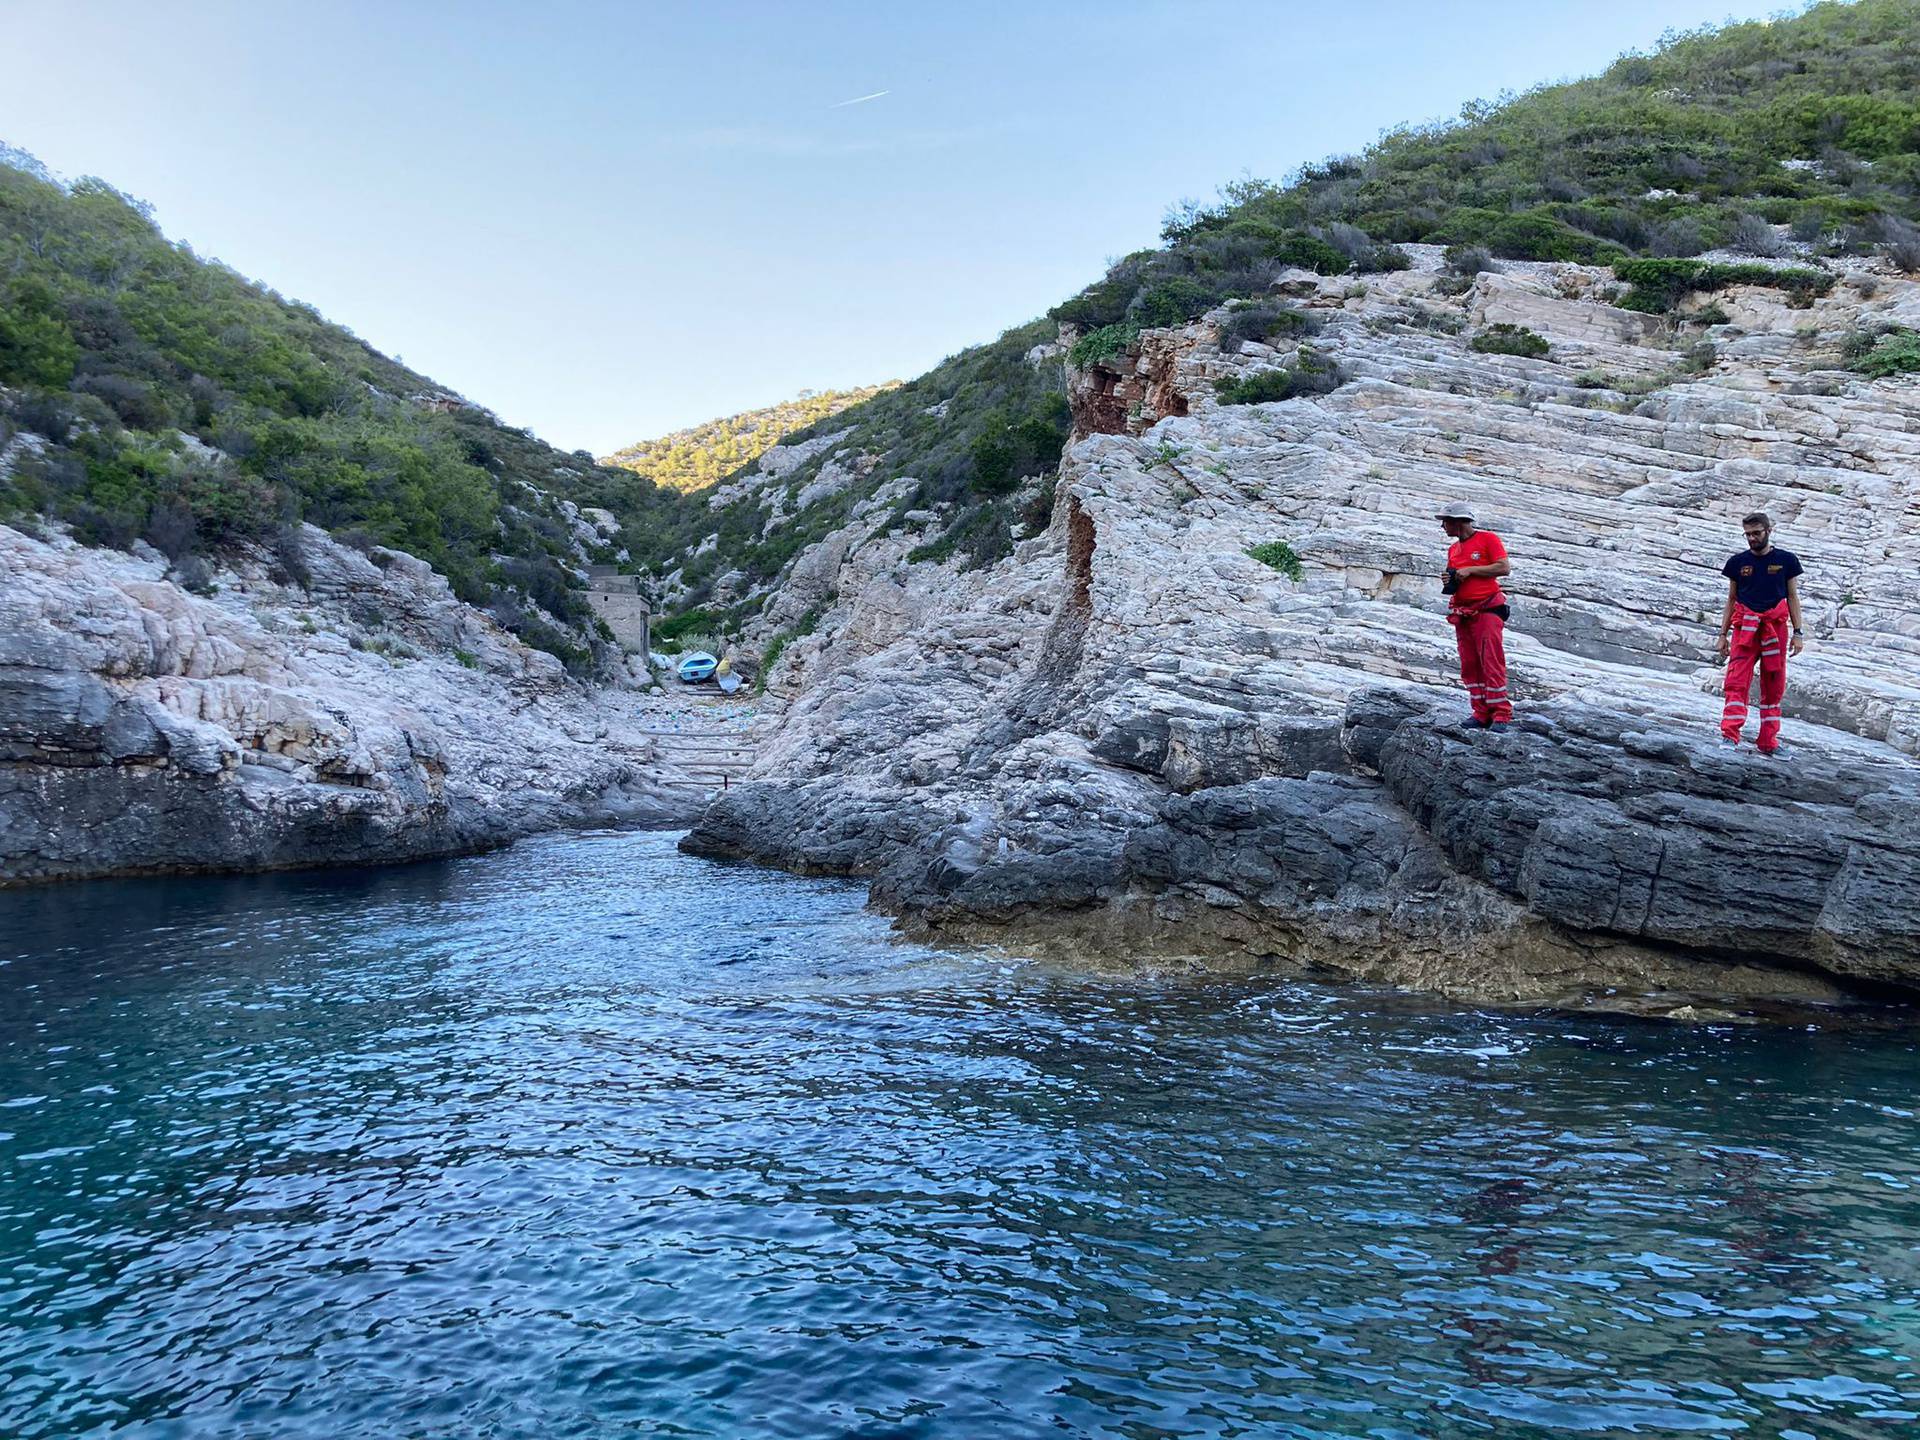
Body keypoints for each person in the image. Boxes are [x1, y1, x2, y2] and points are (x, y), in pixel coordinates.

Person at [1716, 511, 1804, 754]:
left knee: (1774, 683)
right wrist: (1723, 634)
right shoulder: (1737, 563)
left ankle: (1768, 742)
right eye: (1748, 534)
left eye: (1756, 533)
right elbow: (1731, 599)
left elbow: (1793, 596)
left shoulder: (1787, 561)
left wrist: (1798, 632)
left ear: (1769, 531)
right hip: (1744, 627)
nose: (1752, 538)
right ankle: (1730, 735)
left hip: (1775, 627)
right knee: (1736, 681)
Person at [1436, 501, 1513, 730]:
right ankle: (1480, 711)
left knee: (1491, 659)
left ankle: (1501, 713)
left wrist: (1470, 570)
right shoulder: (1453, 549)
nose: (1442, 526)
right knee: (1470, 663)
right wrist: (1450, 581)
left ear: (1459, 522)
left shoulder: (1487, 539)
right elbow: (1458, 575)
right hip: (1464, 612)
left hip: (1487, 610)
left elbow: (1503, 567)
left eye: (1446, 522)